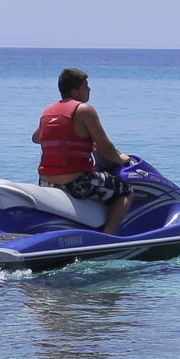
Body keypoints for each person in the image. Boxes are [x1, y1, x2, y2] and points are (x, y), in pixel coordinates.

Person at [32, 67, 133, 235]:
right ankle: (109, 236)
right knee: (125, 191)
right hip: (76, 181)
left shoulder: (48, 112)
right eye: (86, 85)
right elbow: (106, 148)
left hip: (46, 181)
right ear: (75, 91)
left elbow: (36, 138)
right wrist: (121, 159)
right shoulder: (84, 110)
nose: (90, 89)